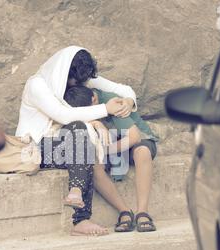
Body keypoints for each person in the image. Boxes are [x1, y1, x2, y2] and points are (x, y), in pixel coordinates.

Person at [15, 46, 137, 236]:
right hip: (34, 149)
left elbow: (123, 89)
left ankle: (76, 198)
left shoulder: (77, 77)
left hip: (67, 145)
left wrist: (128, 101)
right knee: (80, 131)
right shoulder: (37, 85)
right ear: (65, 72)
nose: (78, 86)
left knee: (82, 140)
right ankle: (81, 217)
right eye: (75, 82)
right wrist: (104, 111)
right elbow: (63, 115)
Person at [64, 85, 158, 232]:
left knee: (142, 152)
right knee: (92, 165)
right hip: (112, 146)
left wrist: (104, 150)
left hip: (136, 142)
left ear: (94, 99)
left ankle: (142, 212)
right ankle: (125, 212)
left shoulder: (111, 102)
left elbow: (134, 137)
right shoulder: (79, 106)